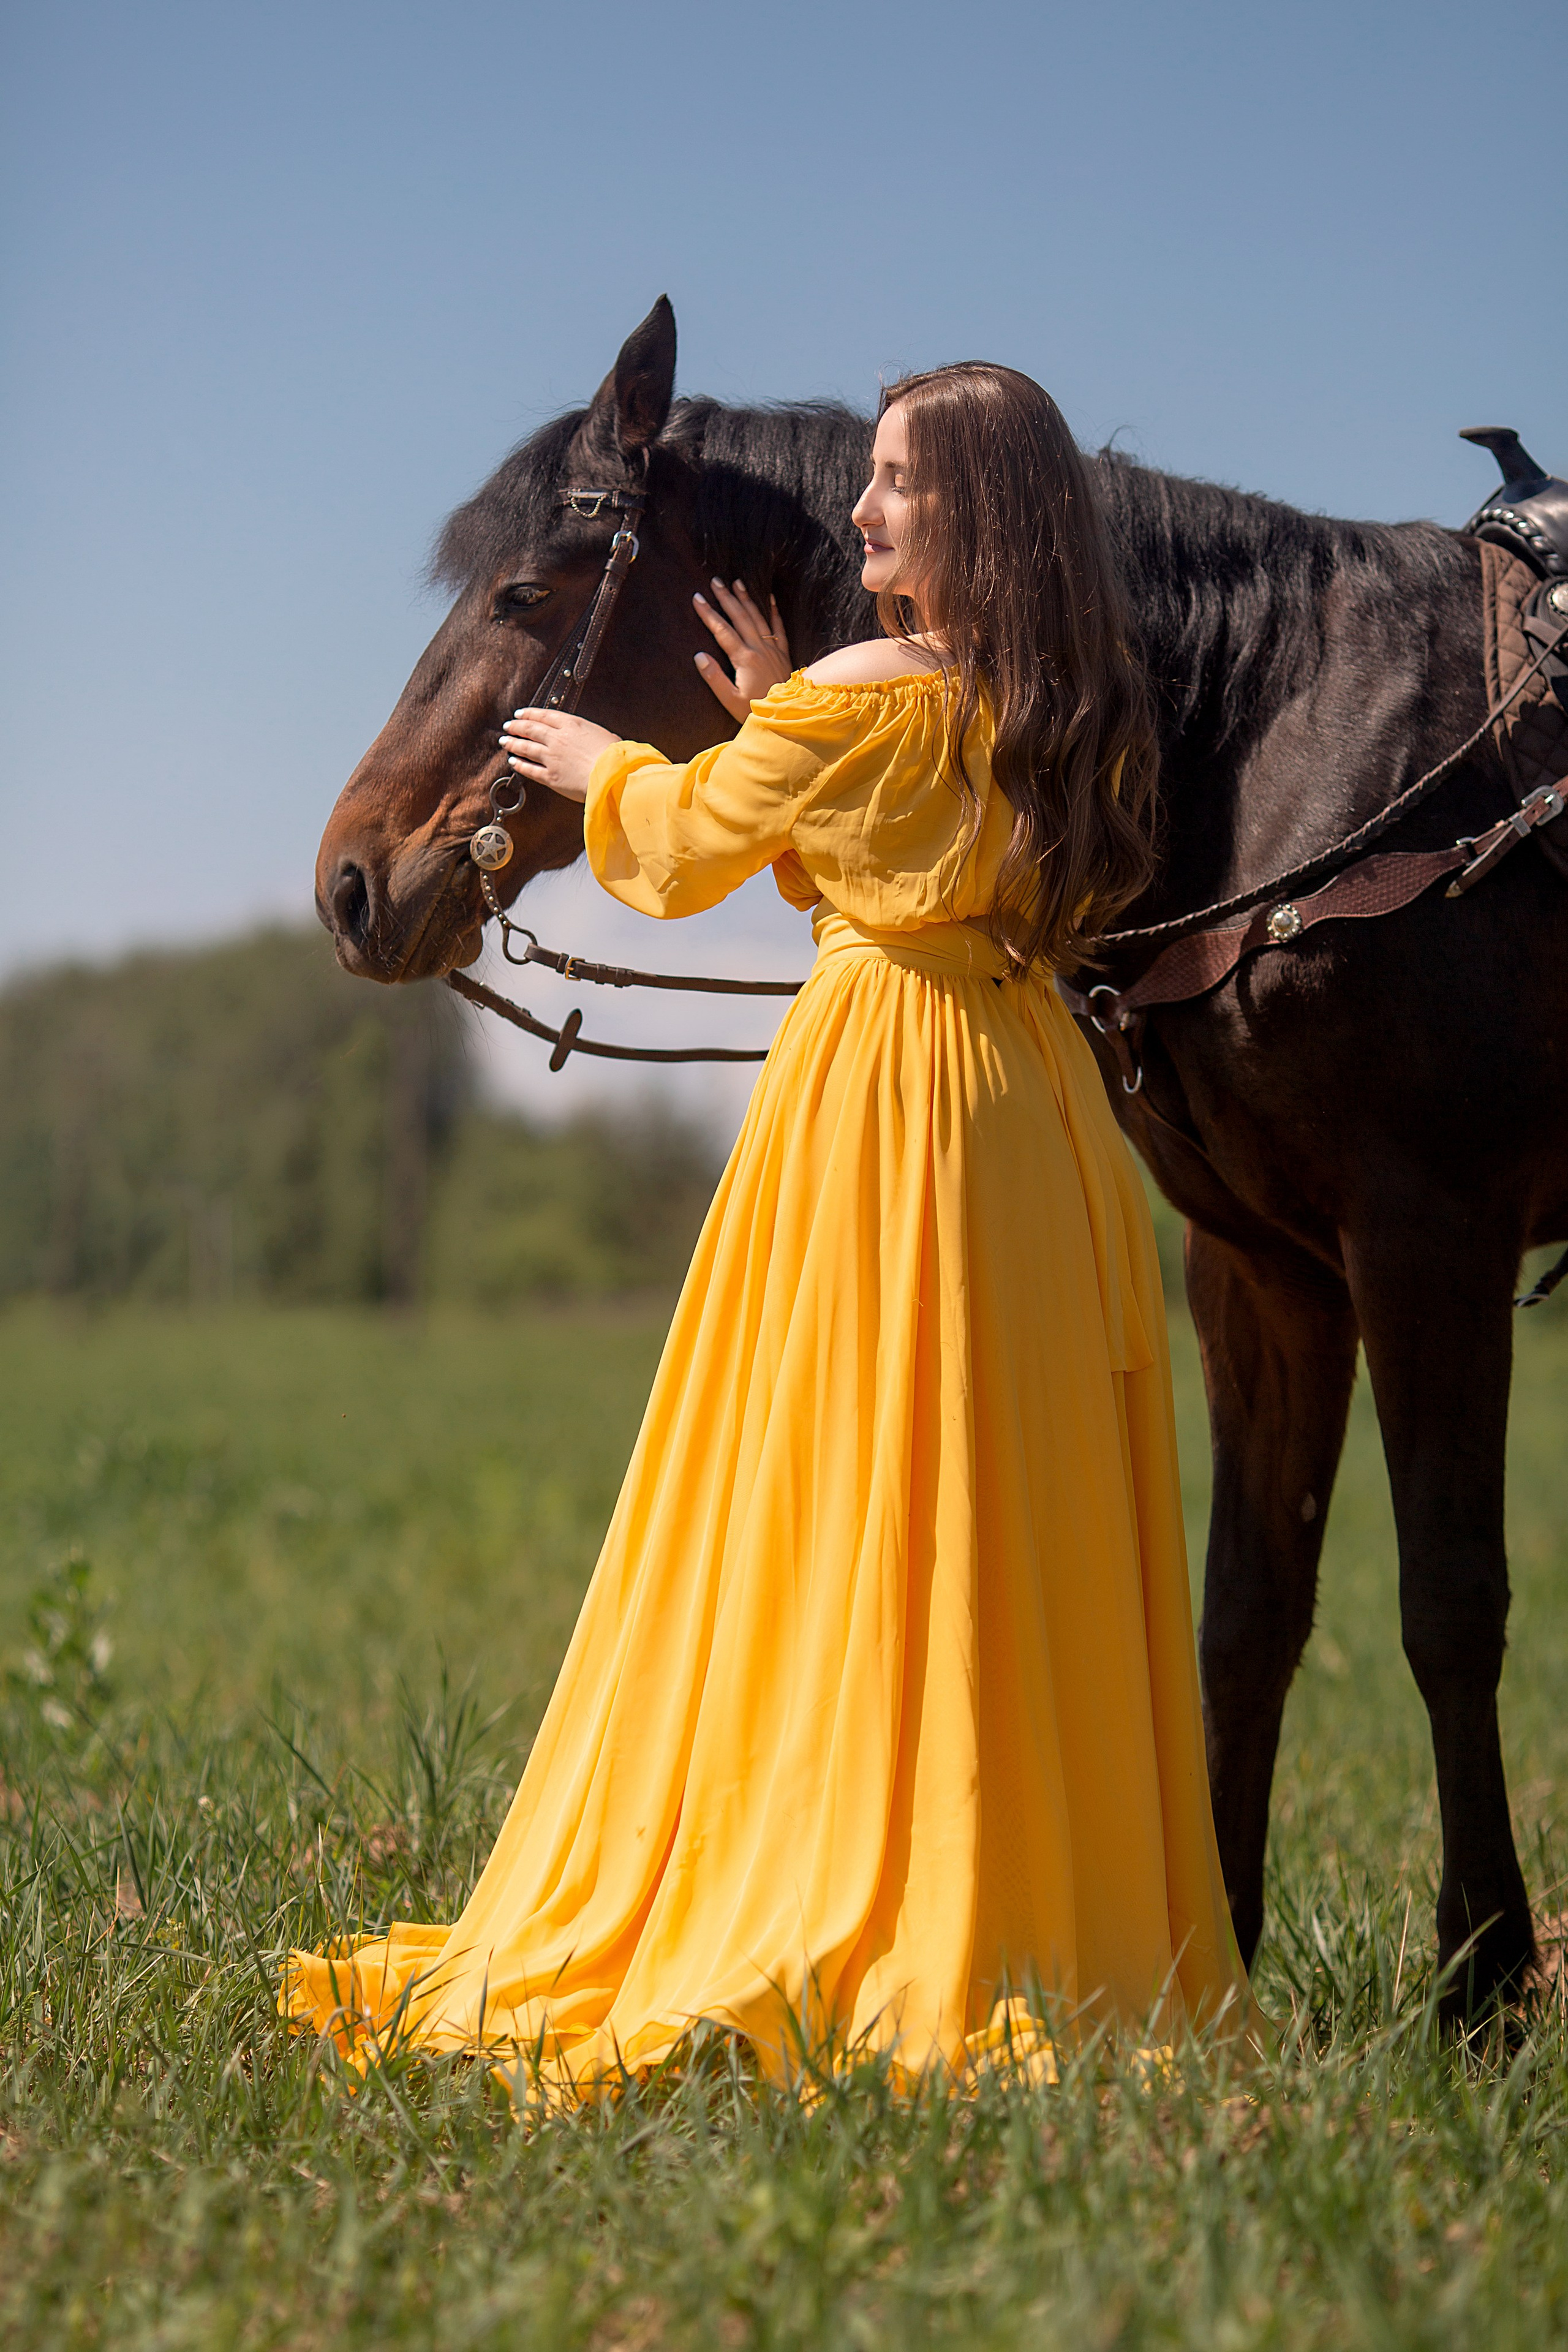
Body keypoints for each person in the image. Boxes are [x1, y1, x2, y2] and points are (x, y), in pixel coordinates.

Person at [283, 364, 1253, 2093]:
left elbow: (675, 856)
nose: (864, 514)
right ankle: (1047, 1908)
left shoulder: (849, 702)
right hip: (1035, 1118)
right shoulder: (1069, 698)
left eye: (899, 488)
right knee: (1007, 1509)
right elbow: (920, 858)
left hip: (881, 1113)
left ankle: (839, 1876)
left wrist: (606, 760)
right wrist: (797, 721)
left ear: (982, 517)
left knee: (844, 1488)